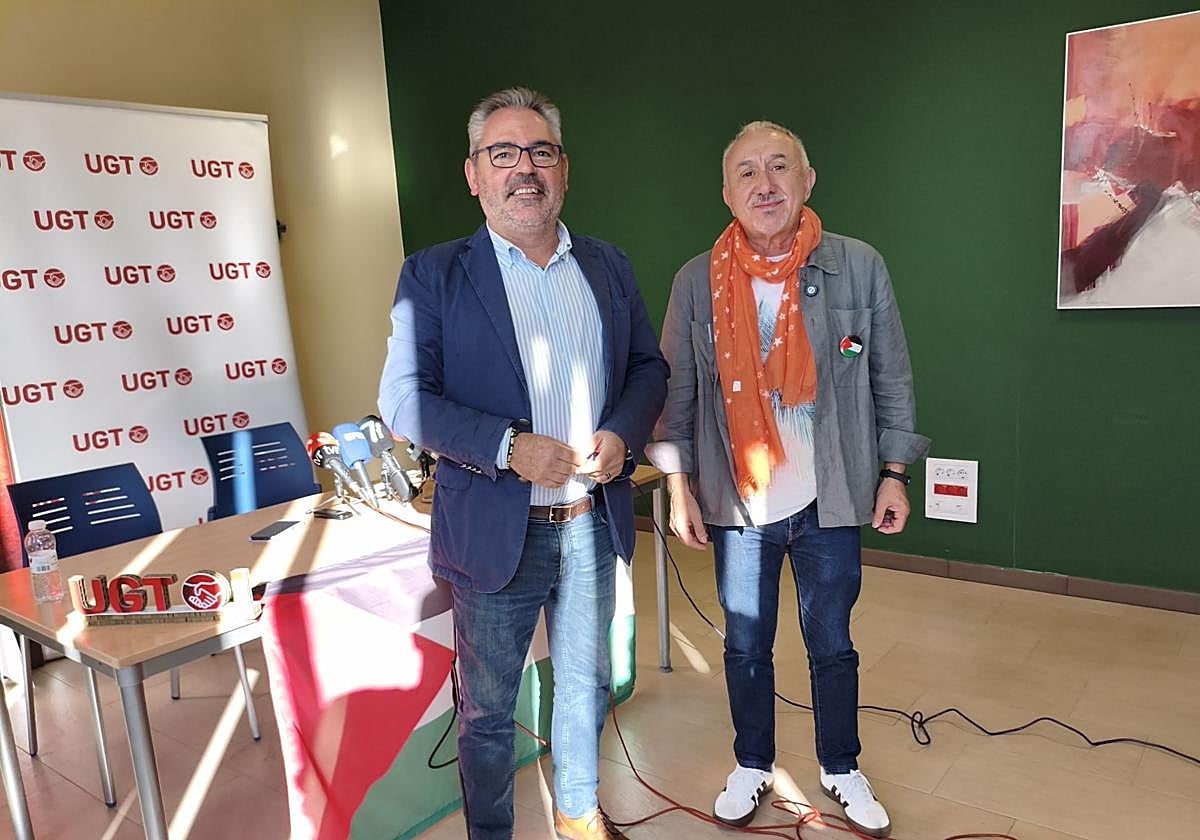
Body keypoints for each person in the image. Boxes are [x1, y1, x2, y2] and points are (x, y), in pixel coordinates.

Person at [379, 87, 668, 840]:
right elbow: (404, 400)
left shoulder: (608, 265)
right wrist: (509, 447)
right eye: (502, 153)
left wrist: (622, 432)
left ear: (563, 169)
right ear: (474, 174)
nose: (524, 168)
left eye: (540, 151)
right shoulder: (433, 275)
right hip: (494, 530)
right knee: (487, 712)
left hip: (591, 522)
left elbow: (648, 368)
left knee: (585, 683)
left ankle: (577, 812)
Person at [646, 120, 930, 838]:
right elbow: (675, 395)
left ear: (807, 181)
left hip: (830, 497)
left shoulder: (858, 266)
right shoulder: (696, 281)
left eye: (779, 167)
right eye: (747, 172)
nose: (764, 183)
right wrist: (678, 486)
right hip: (739, 501)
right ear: (727, 193)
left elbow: (892, 376)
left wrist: (895, 474)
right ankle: (753, 763)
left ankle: (840, 765)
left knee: (831, 640)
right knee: (745, 644)